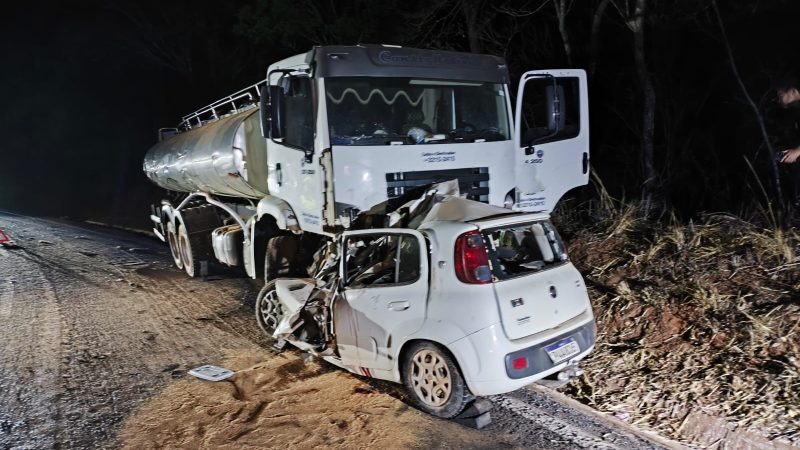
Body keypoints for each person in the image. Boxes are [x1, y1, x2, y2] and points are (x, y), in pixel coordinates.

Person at [771, 74, 800, 209]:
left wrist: (797, 151)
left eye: (781, 94)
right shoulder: (795, 112)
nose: (778, 99)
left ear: (793, 92)